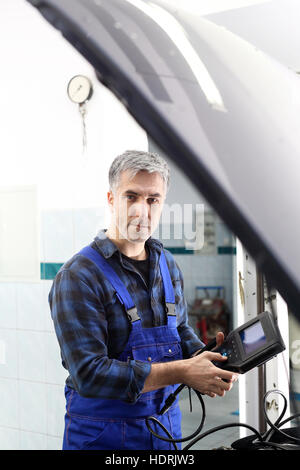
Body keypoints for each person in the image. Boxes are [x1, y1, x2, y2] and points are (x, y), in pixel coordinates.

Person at [49, 150, 237, 451]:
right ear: (111, 199)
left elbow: (180, 330)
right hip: (102, 437)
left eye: (153, 200)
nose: (142, 210)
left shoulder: (168, 264)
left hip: (164, 430)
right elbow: (89, 373)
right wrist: (183, 371)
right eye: (131, 197)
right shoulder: (78, 276)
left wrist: (206, 357)